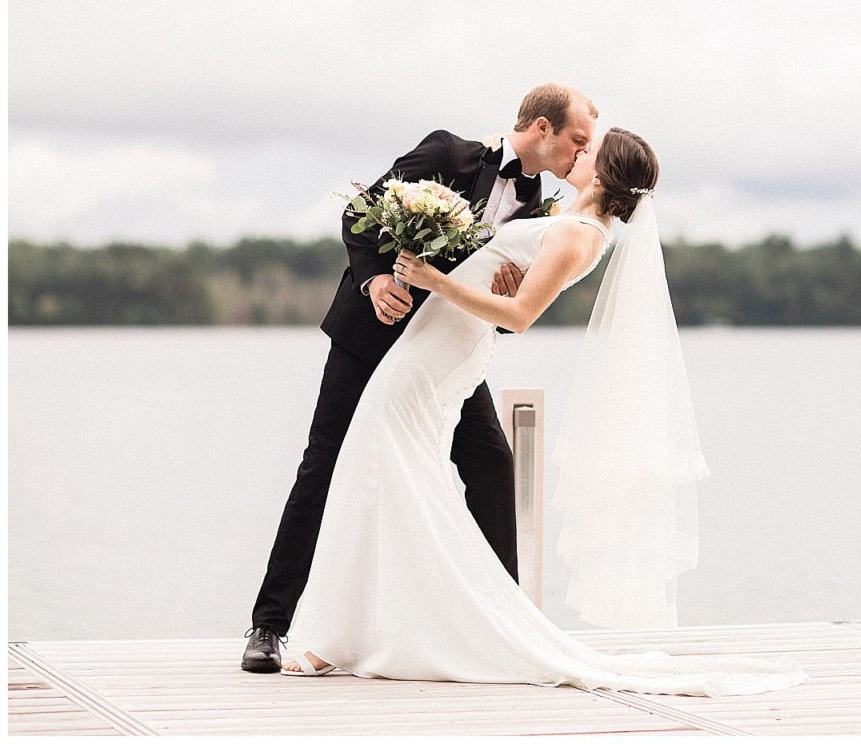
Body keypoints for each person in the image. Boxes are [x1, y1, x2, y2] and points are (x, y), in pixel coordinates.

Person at [280, 128, 808, 696]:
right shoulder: (570, 221)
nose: (578, 155)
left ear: (602, 176)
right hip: (434, 341)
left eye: (589, 153)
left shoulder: (580, 234)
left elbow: (521, 314)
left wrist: (433, 280)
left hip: (443, 349)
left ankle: (342, 633)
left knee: (380, 462)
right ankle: (359, 626)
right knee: (386, 468)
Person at [241, 83, 599, 672]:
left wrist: (503, 287)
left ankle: (500, 624)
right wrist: (375, 279)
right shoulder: (447, 154)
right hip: (370, 336)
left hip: (442, 353)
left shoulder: (542, 210)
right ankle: (268, 625)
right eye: (576, 140)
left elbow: (509, 302)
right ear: (541, 128)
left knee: (491, 463)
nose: (581, 155)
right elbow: (359, 214)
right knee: (323, 465)